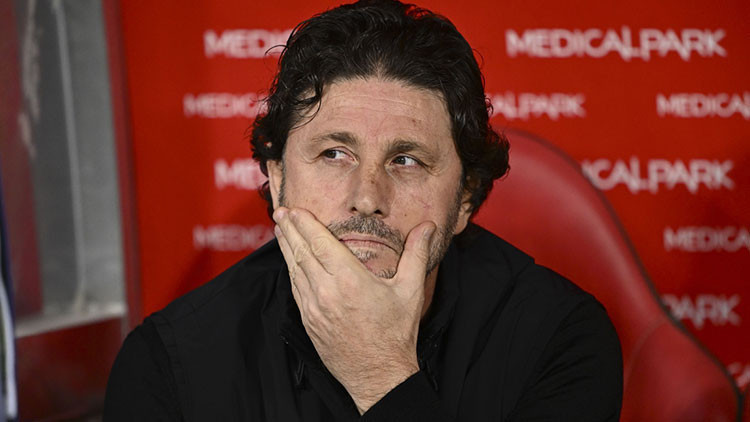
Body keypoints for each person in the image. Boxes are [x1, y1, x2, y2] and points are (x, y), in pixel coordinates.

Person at [104, 0, 623, 420]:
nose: (368, 197)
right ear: (278, 179)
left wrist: (379, 373)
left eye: (406, 160)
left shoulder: (560, 338)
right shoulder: (169, 364)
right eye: (334, 154)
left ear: (465, 197)